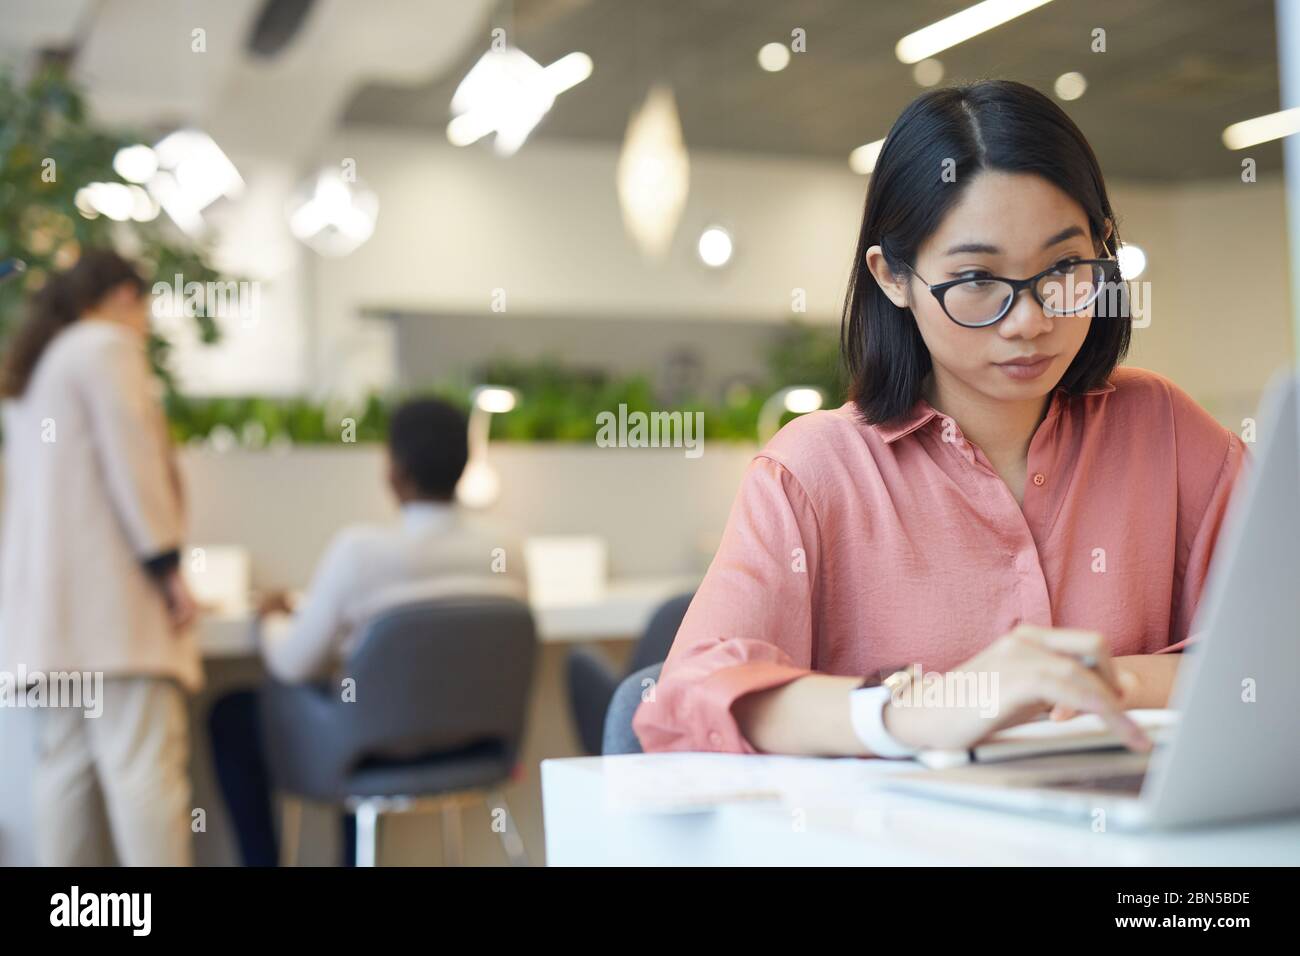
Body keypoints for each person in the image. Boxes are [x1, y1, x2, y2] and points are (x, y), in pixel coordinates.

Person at [633, 79, 1250, 758]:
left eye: (1066, 267)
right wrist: (916, 711)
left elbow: (1272, 654)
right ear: (893, 277)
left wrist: (1093, 681)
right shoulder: (814, 471)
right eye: (979, 280)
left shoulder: (1163, 428)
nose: (1031, 321)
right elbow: (691, 696)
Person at [207, 397, 525, 866]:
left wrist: (271, 618)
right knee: (352, 701)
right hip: (476, 747)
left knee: (232, 714)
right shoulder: (509, 551)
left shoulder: (360, 552)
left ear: (393, 472)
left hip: (369, 749)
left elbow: (293, 664)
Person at [0, 250, 201, 865]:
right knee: (144, 772)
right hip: (112, 611)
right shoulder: (106, 348)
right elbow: (133, 463)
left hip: (51, 616)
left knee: (65, 770)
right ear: (121, 297)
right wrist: (167, 567)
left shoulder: (39, 366)